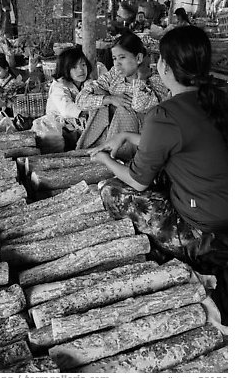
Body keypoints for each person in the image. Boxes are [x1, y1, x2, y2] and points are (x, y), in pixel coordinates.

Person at [89, 25, 228, 325]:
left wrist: (103, 158)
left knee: (112, 190)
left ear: (163, 66)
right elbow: (180, 143)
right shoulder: (219, 99)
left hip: (204, 230)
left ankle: (182, 259)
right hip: (226, 211)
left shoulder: (164, 114)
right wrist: (127, 134)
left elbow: (138, 181)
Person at [76, 31, 168, 157]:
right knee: (99, 94)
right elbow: (80, 100)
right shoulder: (114, 75)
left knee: (125, 109)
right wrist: (110, 99)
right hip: (110, 134)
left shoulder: (156, 80)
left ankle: (117, 157)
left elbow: (140, 106)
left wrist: (141, 79)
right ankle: (100, 148)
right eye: (114, 58)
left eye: (122, 57)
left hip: (139, 142)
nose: (117, 64)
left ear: (139, 58)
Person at [40, 46, 92, 150]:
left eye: (83, 64)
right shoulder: (58, 86)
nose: (81, 70)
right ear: (65, 69)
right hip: (57, 127)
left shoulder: (87, 83)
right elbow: (66, 109)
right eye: (74, 67)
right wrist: (90, 112)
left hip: (76, 126)